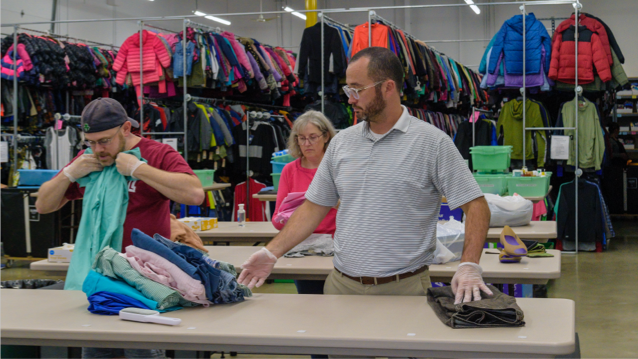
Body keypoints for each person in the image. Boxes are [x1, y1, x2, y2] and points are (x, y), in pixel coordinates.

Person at [239, 47, 492, 309]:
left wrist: (469, 265)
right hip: (341, 286)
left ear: (388, 87)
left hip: (404, 290)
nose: (350, 99)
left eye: (357, 89)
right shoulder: (341, 144)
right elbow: (314, 207)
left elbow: (476, 206)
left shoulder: (432, 143)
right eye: (348, 90)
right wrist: (272, 252)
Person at [36, 97, 205, 359]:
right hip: (101, 279)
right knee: (96, 349)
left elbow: (195, 195)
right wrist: (69, 173)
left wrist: (140, 169)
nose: (98, 149)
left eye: (104, 141)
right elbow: (44, 205)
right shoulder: (88, 160)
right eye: (90, 142)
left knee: (142, 351)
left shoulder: (156, 154)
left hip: (144, 281)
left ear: (126, 129)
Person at [272, 110, 337, 297]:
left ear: (326, 137)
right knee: (309, 302)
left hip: (336, 248)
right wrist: (289, 215)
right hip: (303, 248)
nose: (306, 144)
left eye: (312, 137)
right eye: (301, 138)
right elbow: (277, 220)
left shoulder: (338, 167)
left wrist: (334, 203)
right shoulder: (289, 171)